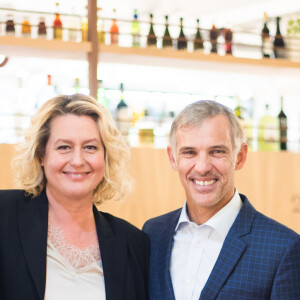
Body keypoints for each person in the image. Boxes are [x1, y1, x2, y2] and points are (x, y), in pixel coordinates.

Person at [143, 100, 300, 300]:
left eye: (217, 151)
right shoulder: (152, 234)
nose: (202, 167)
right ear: (173, 158)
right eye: (189, 152)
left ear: (240, 156)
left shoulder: (283, 249)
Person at [0, 94, 149, 300]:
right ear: (42, 155)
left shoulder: (133, 242)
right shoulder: (4, 214)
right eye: (64, 147)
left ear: (105, 157)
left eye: (90, 147)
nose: (78, 160)